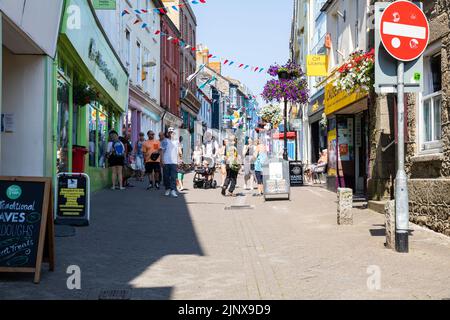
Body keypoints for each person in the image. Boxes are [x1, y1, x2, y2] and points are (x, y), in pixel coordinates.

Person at [160, 127, 179, 198]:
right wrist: (162, 160)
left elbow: (178, 151)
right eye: (170, 132)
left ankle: (173, 190)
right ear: (168, 133)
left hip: (174, 162)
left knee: (174, 177)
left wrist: (179, 160)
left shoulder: (176, 141)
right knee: (166, 177)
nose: (171, 134)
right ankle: (167, 189)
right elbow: (161, 151)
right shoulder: (165, 141)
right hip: (166, 161)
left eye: (172, 132)